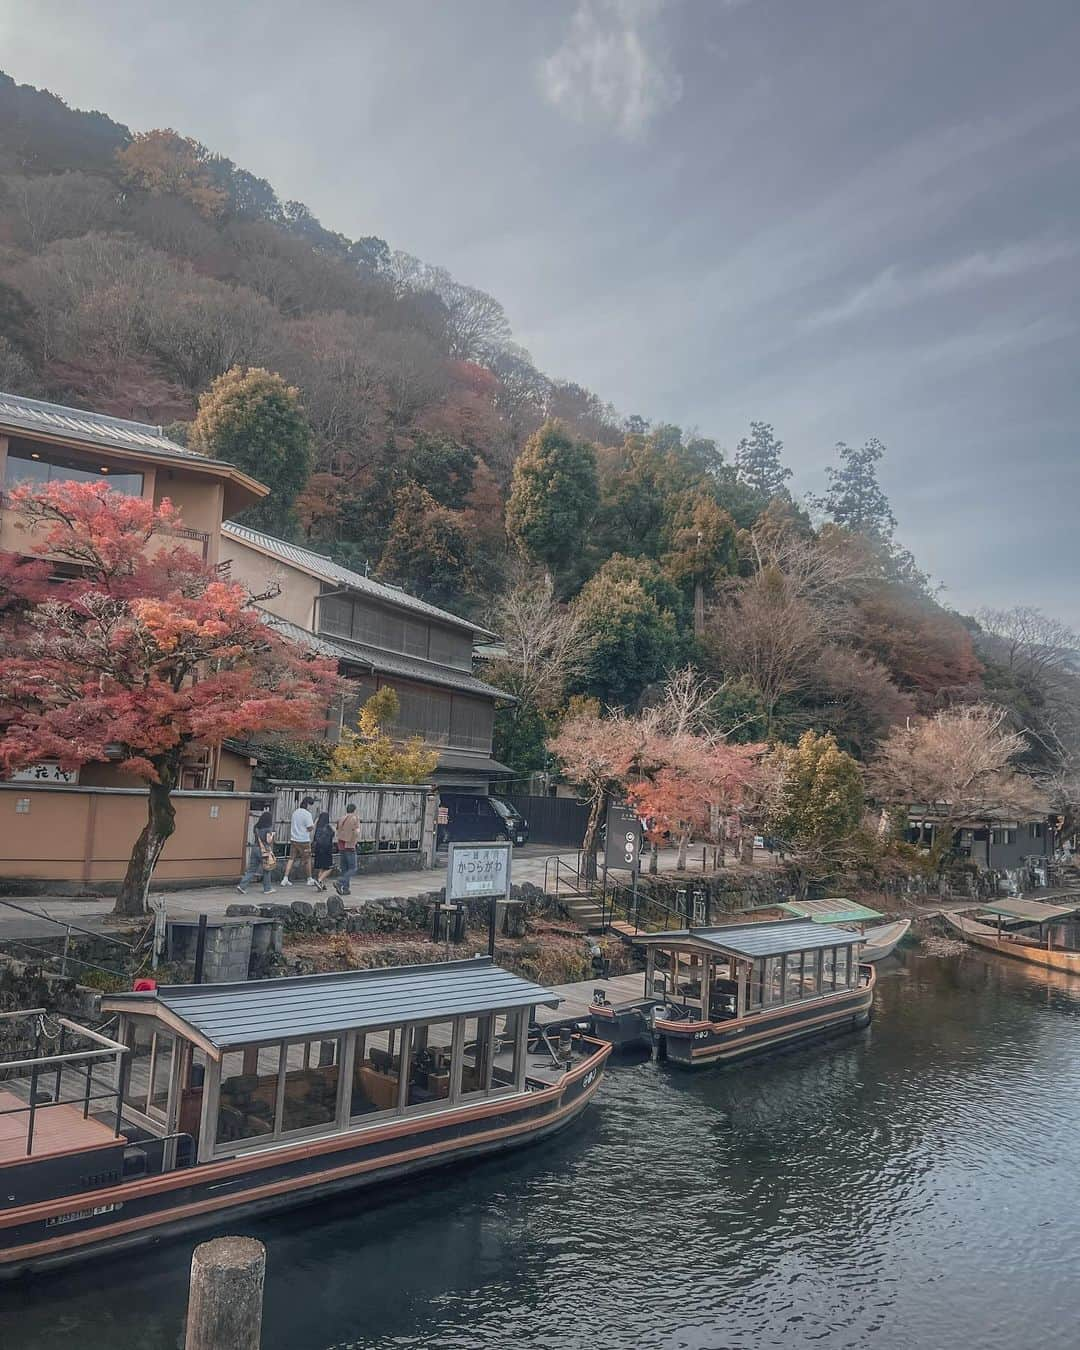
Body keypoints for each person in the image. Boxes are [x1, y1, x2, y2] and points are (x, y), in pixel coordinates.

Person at [237, 810, 276, 895]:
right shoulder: (268, 829)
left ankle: (242, 886)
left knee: (251, 869)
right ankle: (267, 889)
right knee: (267, 869)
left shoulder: (256, 827)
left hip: (255, 848)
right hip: (264, 851)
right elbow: (268, 841)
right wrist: (272, 834)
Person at [281, 796, 317, 886]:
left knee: (291, 858)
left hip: (294, 839)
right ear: (308, 804)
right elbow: (310, 828)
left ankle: (285, 878)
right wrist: (315, 822)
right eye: (311, 805)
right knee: (307, 859)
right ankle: (309, 878)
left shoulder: (295, 812)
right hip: (304, 840)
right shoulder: (307, 814)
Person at [334, 802, 360, 897]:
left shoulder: (341, 818)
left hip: (341, 845)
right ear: (354, 810)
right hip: (349, 845)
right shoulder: (354, 818)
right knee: (353, 868)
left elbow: (337, 829)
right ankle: (340, 882)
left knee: (345, 869)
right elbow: (357, 832)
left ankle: (346, 889)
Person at [311, 809, 336, 891]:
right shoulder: (328, 828)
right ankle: (319, 880)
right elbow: (334, 834)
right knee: (329, 868)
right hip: (326, 850)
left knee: (322, 868)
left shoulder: (318, 828)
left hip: (318, 849)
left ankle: (321, 884)